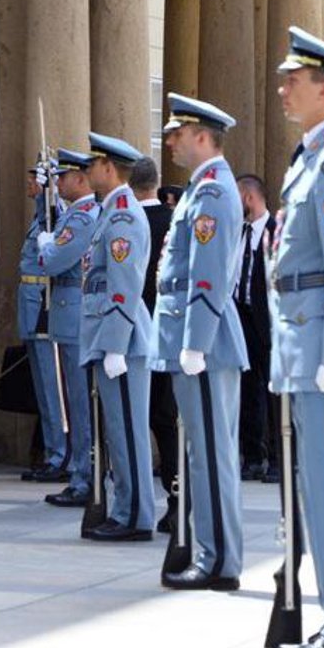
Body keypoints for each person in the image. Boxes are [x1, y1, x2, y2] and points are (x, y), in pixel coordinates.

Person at [270, 27, 324, 648]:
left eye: (293, 82)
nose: (282, 90)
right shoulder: (310, 159)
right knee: (315, 493)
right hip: (302, 342)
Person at [153, 92, 248, 593]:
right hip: (189, 336)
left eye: (178, 133)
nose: (170, 141)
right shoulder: (198, 190)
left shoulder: (212, 192)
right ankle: (213, 553)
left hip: (204, 342)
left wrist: (194, 342)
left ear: (202, 137)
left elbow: (208, 277)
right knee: (202, 452)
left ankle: (221, 562)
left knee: (212, 454)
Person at [80, 133, 155, 541]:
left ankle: (135, 516)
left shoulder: (123, 214)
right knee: (119, 430)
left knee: (127, 431)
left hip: (121, 342)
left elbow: (124, 285)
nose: (88, 172)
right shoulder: (110, 212)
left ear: (109, 168)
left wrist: (114, 344)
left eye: (93, 165)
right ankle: (127, 509)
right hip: (112, 337)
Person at [36, 148, 101, 510]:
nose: (58, 183)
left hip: (75, 315)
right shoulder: (74, 214)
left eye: (63, 177)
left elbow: (54, 259)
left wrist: (47, 248)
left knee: (78, 402)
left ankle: (84, 475)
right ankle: (82, 471)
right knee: (74, 402)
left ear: (80, 179)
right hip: (69, 315)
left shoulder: (82, 217)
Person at [129, 153, 179, 528]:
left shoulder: (125, 221)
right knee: (166, 419)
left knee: (134, 418)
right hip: (166, 331)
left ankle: (132, 498)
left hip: (131, 331)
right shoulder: (172, 220)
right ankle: (176, 500)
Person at [17, 162, 69, 482]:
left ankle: (59, 455)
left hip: (44, 308)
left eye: (35, 181)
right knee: (43, 386)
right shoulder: (40, 220)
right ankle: (53, 451)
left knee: (54, 390)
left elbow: (54, 215)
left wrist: (49, 190)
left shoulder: (54, 215)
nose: (29, 186)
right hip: (31, 306)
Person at [233, 171, 277, 480]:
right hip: (241, 317)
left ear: (249, 197)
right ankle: (252, 456)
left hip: (269, 321)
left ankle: (277, 458)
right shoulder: (238, 232)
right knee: (248, 389)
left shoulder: (276, 231)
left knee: (274, 392)